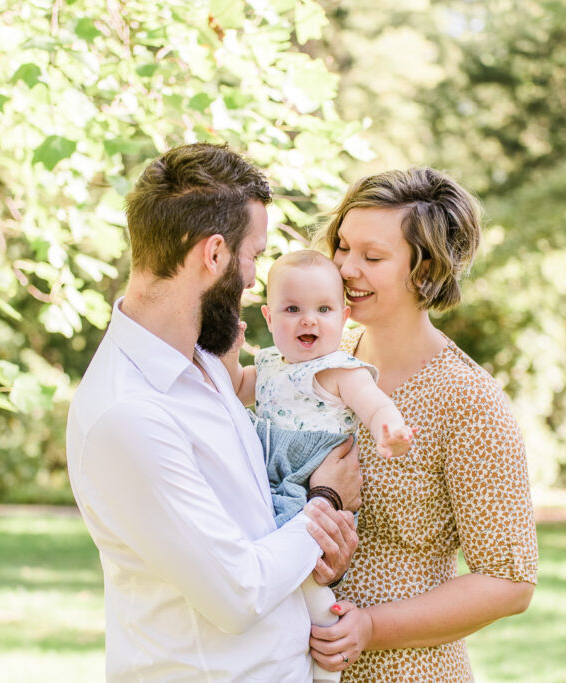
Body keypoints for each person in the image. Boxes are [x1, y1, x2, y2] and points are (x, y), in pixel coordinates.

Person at [66, 142, 362, 682]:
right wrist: (326, 504)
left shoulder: (205, 363)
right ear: (215, 255)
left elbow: (254, 530)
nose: (252, 281)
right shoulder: (128, 414)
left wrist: (317, 551)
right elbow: (237, 593)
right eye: (254, 257)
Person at [307, 168, 539, 682]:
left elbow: (510, 581)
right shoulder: (322, 358)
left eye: (372, 257)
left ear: (425, 269)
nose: (345, 268)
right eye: (342, 246)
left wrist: (370, 627)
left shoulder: (468, 401)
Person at [225, 249, 415, 683]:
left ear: (344, 318)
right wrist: (230, 350)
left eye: (324, 310)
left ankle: (327, 659)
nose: (308, 320)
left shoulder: (339, 370)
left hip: (310, 475)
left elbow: (373, 403)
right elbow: (234, 388)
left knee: (306, 578)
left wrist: (389, 429)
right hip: (270, 473)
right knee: (261, 563)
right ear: (269, 318)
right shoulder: (269, 363)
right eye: (292, 309)